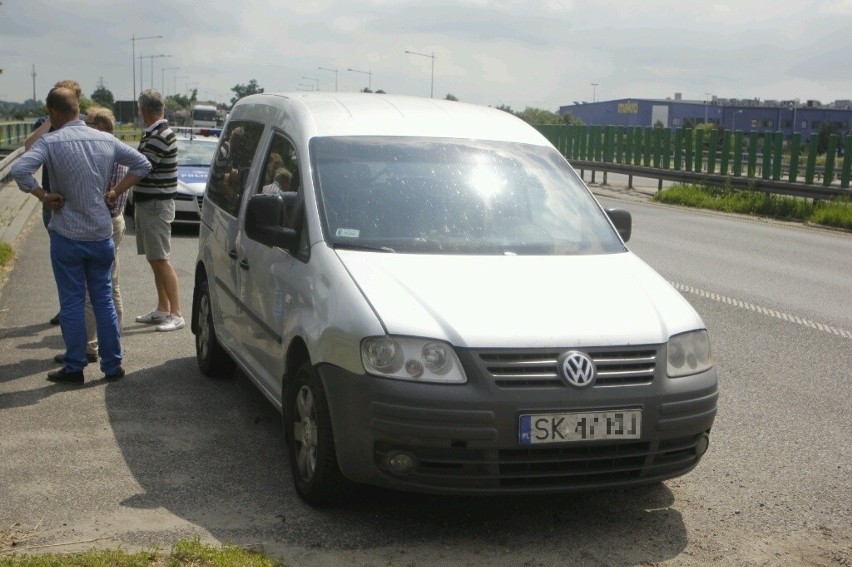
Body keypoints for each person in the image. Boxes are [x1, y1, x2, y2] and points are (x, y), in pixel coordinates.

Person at [11, 87, 151, 384]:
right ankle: (112, 366)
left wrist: (43, 195)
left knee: (73, 301)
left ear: (53, 113)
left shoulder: (50, 141)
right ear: (78, 109)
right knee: (103, 298)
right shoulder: (106, 139)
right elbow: (143, 164)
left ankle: (74, 366)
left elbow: (21, 169)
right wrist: (115, 191)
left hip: (67, 234)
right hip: (101, 233)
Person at [52, 107, 130, 365]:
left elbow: (102, 199)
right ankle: (112, 353)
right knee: (109, 289)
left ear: (99, 127)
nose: (84, 127)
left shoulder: (106, 152)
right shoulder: (114, 150)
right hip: (108, 225)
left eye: (89, 123)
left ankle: (88, 348)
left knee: (87, 294)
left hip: (99, 226)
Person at [25, 79, 84, 325]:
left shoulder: (85, 123)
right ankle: (68, 308)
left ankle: (83, 310)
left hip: (80, 200)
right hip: (53, 201)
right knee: (61, 261)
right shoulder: (45, 123)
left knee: (85, 261)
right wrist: (51, 120)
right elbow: (29, 147)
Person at [131, 89, 183, 332]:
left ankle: (176, 313)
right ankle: (163, 308)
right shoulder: (154, 133)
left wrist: (117, 189)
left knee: (161, 259)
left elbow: (142, 167)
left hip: (156, 205)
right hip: (149, 204)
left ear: (143, 110)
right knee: (155, 259)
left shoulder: (160, 135)